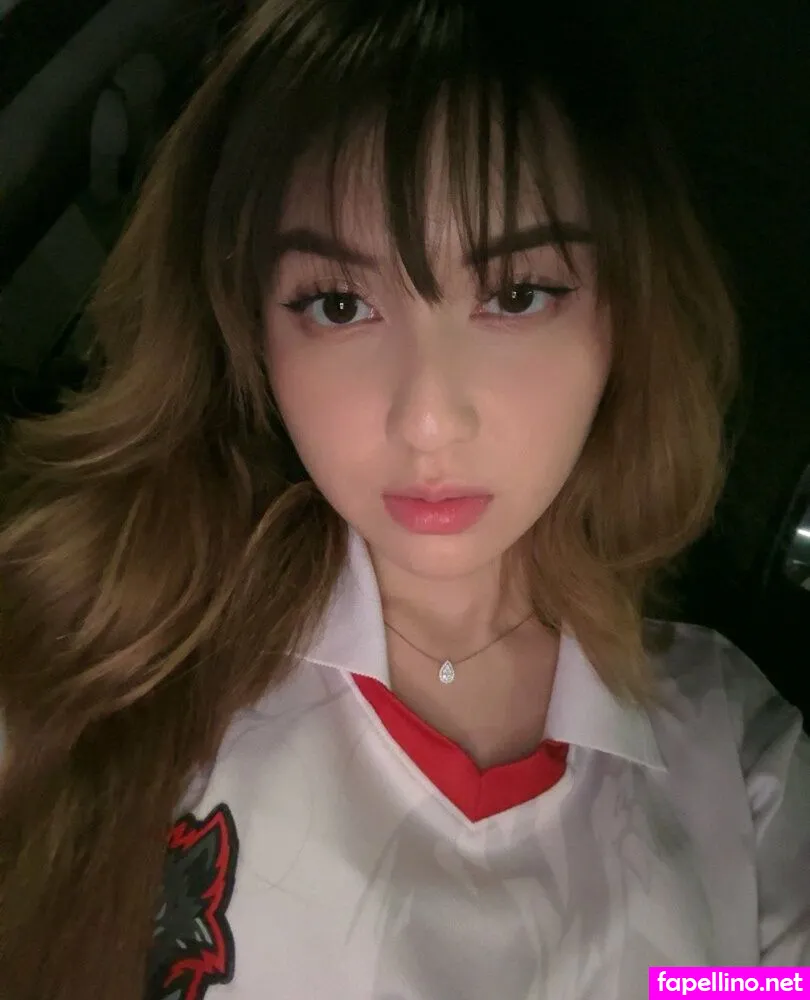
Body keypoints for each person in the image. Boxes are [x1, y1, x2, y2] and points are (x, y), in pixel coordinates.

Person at [0, 0, 808, 997]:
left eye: (517, 295)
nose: (427, 419)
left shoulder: (736, 758)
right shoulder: (99, 651)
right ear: (250, 332)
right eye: (339, 304)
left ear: (626, 317)